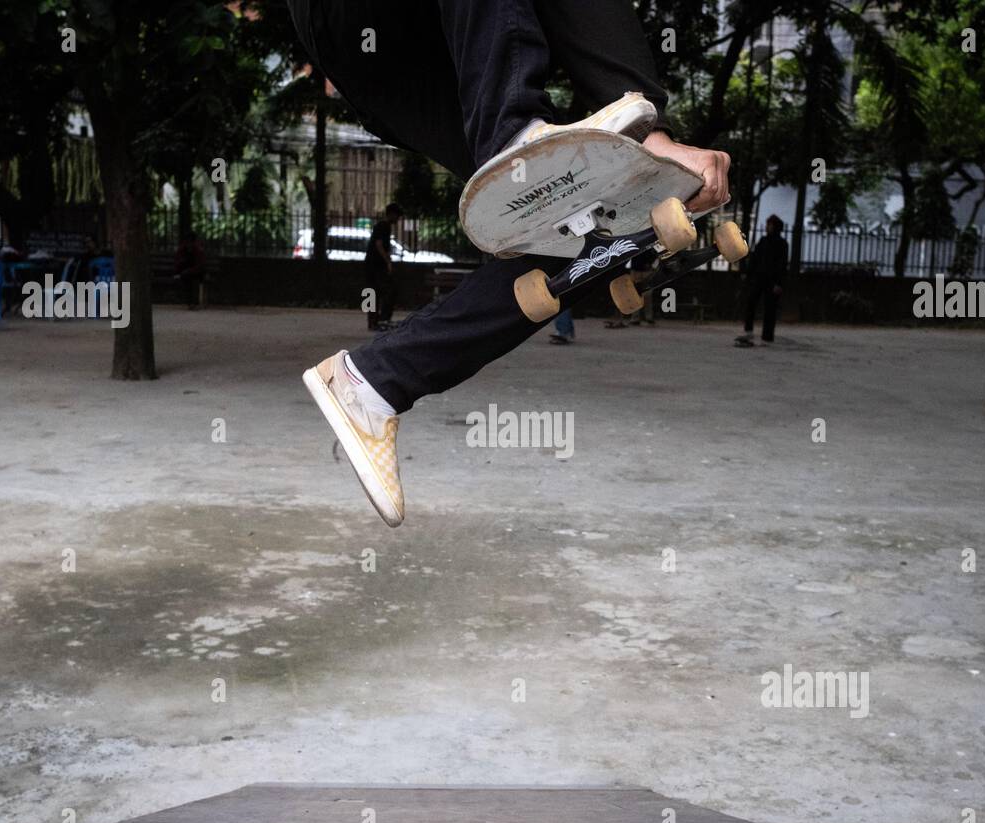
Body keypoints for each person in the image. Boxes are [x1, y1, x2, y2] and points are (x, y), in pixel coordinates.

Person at [293, 0, 731, 527]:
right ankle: (513, 133)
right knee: (542, 173)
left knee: (567, 219)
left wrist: (649, 147)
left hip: (421, 62)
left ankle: (372, 384)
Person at [736, 214, 788, 347]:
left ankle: (767, 337)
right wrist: (748, 274)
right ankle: (749, 331)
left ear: (775, 227)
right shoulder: (763, 241)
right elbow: (755, 259)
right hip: (760, 278)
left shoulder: (782, 244)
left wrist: (779, 283)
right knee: (751, 303)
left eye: (769, 225)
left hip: (772, 280)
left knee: (770, 309)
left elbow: (782, 265)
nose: (767, 227)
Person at [364, 203, 401, 331]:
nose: (398, 219)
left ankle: (373, 321)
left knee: (372, 292)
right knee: (389, 291)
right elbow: (379, 244)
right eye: (397, 216)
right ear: (391, 214)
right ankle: (382, 319)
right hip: (376, 265)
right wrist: (388, 262)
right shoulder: (384, 226)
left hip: (371, 264)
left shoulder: (381, 226)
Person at [173, 231, 208, 310]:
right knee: (187, 279)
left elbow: (200, 266)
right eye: (187, 241)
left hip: (197, 273)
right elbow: (177, 262)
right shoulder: (182, 250)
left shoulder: (198, 250)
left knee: (191, 279)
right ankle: (191, 302)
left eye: (190, 241)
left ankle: (193, 302)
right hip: (185, 273)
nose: (189, 243)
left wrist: (189, 271)